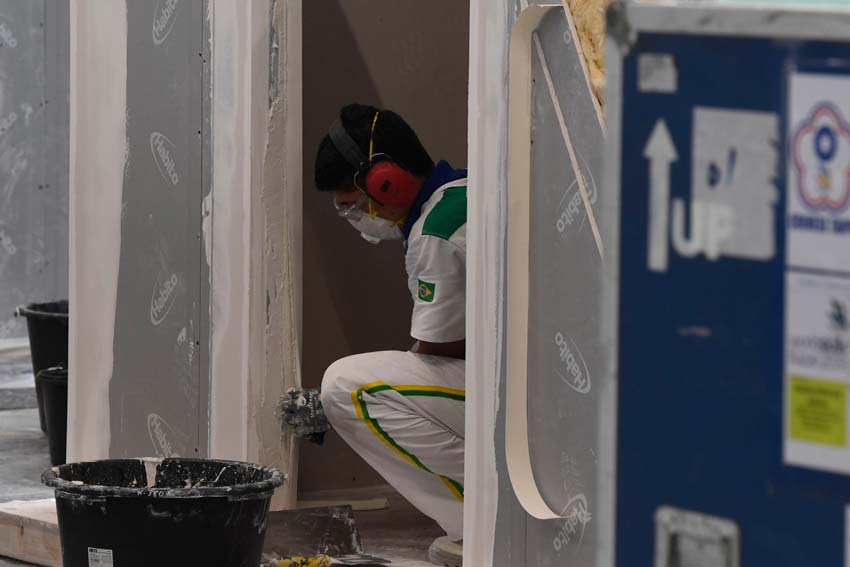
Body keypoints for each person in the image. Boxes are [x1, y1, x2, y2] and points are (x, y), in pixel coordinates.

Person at [281, 103, 467, 567]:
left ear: (387, 181)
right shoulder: (464, 193)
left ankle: (483, 519)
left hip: (530, 402)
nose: (353, 216)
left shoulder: (437, 232)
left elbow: (443, 348)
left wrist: (324, 406)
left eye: (350, 203)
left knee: (347, 387)